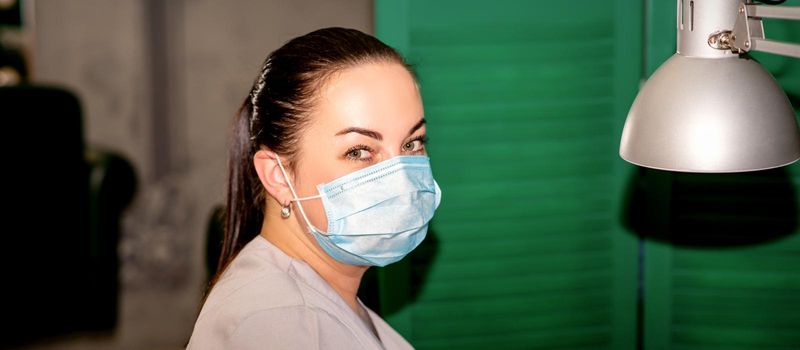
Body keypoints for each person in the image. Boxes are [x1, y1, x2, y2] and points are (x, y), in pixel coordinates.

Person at [187, 27, 441, 349]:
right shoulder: (279, 322)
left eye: (412, 143)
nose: (401, 178)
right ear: (278, 175)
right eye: (359, 151)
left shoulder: (312, 299)